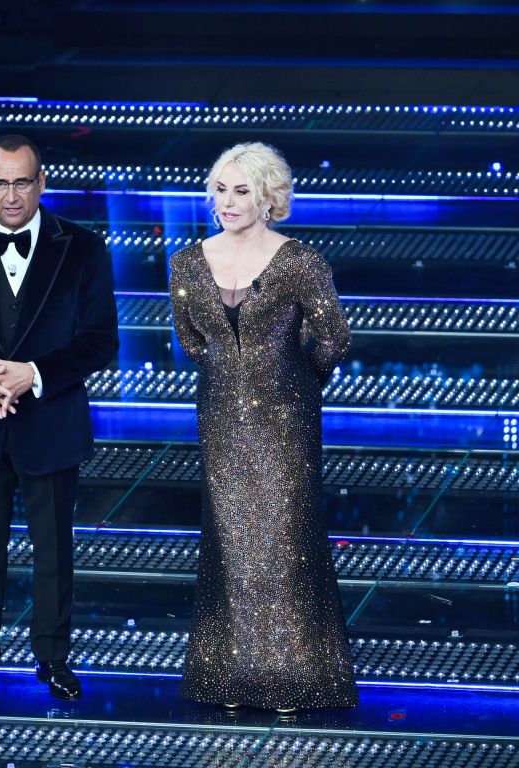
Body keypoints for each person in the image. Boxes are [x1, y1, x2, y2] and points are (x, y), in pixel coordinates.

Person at [0, 134, 119, 724]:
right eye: (0, 183)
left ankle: (53, 660)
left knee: (54, 550)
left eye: (22, 181)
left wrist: (32, 374)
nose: (11, 194)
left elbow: (100, 339)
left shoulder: (82, 246)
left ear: (41, 182)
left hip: (51, 422)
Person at [168, 142, 358, 712]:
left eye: (241, 190)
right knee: (231, 544)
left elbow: (334, 338)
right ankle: (232, 678)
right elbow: (191, 340)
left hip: (287, 423)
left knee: (284, 543)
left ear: (267, 197)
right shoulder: (188, 263)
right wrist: (234, 379)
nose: (227, 202)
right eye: (220, 190)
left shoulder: (299, 262)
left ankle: (294, 678)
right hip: (221, 420)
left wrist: (296, 383)